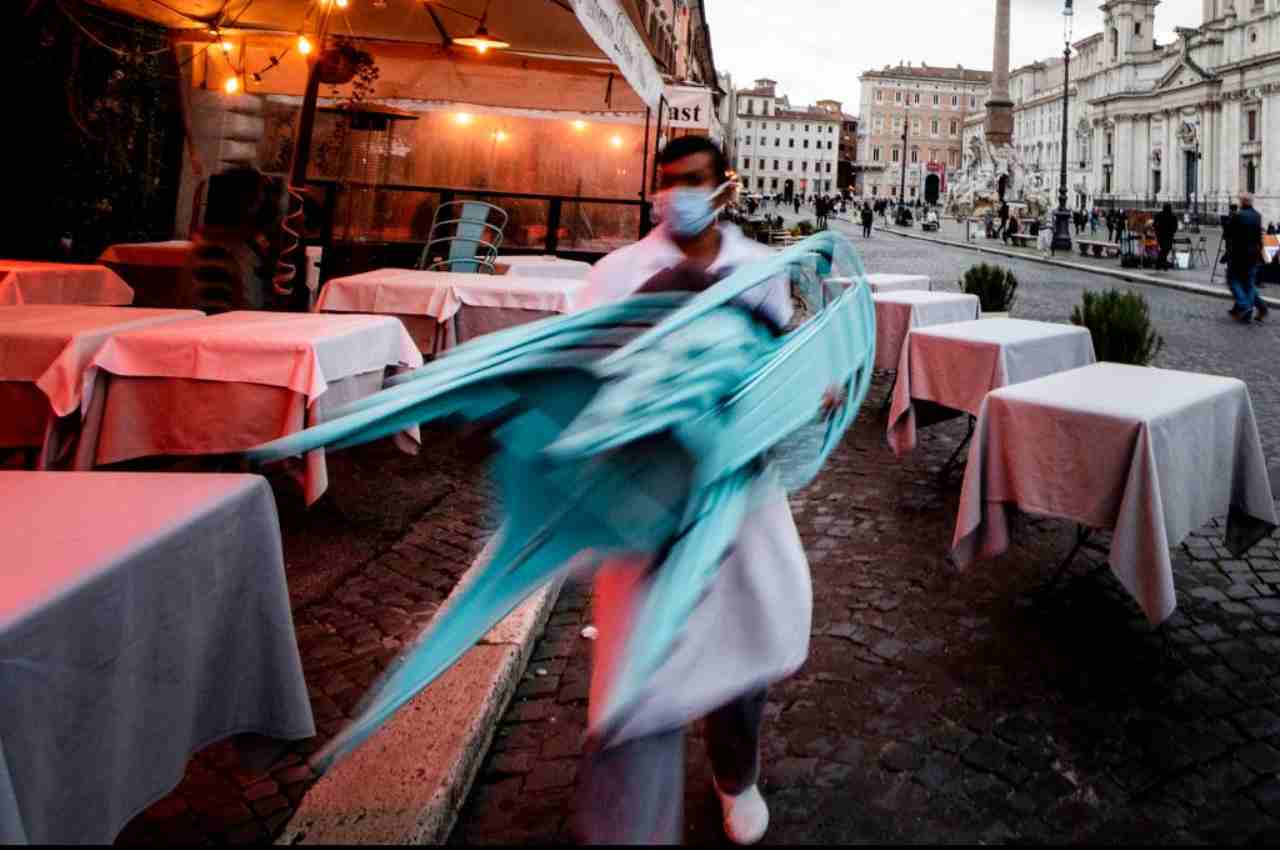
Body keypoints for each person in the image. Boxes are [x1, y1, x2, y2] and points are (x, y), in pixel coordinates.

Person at [576, 135, 819, 845]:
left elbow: (776, 364)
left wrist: (810, 387)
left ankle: (733, 776)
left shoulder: (760, 269)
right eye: (666, 184)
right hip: (648, 494)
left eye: (691, 181)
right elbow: (586, 375)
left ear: (723, 189)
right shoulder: (620, 272)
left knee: (743, 636)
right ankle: (631, 816)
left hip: (740, 487)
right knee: (642, 652)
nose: (675, 196)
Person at [1226, 192, 1270, 323]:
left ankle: (1245, 306)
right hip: (1253, 255)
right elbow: (1258, 237)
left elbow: (1228, 233)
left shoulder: (1238, 216)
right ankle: (1260, 307)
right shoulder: (1257, 216)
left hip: (1238, 255)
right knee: (1248, 283)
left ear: (1242, 202)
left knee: (1233, 280)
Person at [1154, 202, 1179, 270]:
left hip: (1161, 235)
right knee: (1165, 249)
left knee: (1164, 249)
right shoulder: (1173, 216)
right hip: (1168, 235)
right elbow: (1175, 226)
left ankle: (1160, 264)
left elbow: (1154, 225)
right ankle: (1162, 264)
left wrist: (1157, 231)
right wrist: (1173, 231)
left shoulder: (1159, 215)